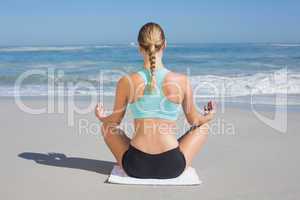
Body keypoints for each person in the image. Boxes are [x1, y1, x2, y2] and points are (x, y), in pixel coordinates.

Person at [95, 22, 216, 179]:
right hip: (172, 166)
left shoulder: (126, 81)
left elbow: (115, 121)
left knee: (107, 127)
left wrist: (101, 117)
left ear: (139, 47)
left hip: (135, 165)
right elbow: (195, 121)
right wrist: (210, 114)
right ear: (165, 44)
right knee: (204, 127)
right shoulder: (182, 81)